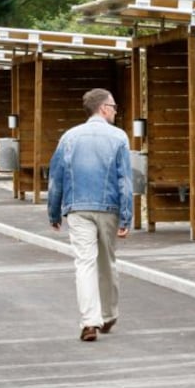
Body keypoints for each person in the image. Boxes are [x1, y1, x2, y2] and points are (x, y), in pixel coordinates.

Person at [47, 88, 133, 342]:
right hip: (108, 208)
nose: (116, 112)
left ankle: (89, 321)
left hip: (77, 208)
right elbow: (125, 181)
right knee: (107, 261)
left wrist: (54, 212)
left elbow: (56, 178)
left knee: (84, 263)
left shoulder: (69, 137)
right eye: (115, 107)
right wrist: (127, 216)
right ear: (104, 108)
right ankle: (108, 314)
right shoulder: (119, 137)